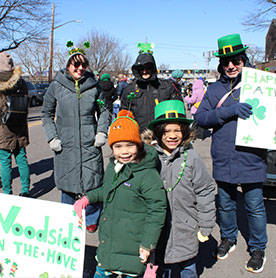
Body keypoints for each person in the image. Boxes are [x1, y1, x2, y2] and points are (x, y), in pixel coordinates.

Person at [194, 33, 268, 273]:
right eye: (226, 62)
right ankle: (228, 238)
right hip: (223, 157)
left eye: (236, 60)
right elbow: (201, 118)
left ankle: (258, 248)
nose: (231, 66)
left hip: (251, 157)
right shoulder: (215, 89)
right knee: (225, 204)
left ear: (244, 59)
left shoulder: (261, 85)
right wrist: (228, 111)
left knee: (254, 206)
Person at [74, 110, 167, 277]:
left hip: (133, 248)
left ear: (138, 145)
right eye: (118, 146)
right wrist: (88, 198)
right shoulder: (114, 166)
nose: (124, 151)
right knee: (101, 272)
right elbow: (108, 189)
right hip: (109, 244)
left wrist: (148, 245)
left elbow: (157, 211)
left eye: (130, 145)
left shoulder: (147, 174)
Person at [41, 45, 110, 233]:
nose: (80, 69)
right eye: (76, 65)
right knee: (68, 181)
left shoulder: (94, 86)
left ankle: (92, 217)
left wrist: (101, 132)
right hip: (66, 142)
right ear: (68, 65)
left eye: (83, 65)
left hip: (89, 141)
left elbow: (104, 110)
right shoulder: (57, 85)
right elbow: (46, 113)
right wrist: (52, 137)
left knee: (92, 180)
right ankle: (69, 217)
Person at [146, 100, 216, 278]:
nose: (172, 135)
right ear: (158, 132)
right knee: (159, 268)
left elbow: (205, 191)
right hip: (157, 231)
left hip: (187, 229)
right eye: (167, 131)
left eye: (177, 130)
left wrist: (206, 225)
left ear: (184, 132)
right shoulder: (148, 159)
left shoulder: (191, 158)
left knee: (188, 269)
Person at [0, 51, 31, 197]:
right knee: (21, 159)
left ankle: (7, 192)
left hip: (2, 127)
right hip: (20, 124)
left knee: (4, 162)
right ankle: (25, 190)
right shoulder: (20, 81)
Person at [121, 51, 183, 132]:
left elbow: (178, 112)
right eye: (141, 68)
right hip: (138, 135)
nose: (144, 71)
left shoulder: (167, 87)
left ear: (153, 68)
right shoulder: (130, 90)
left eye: (148, 68)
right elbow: (124, 114)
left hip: (162, 136)